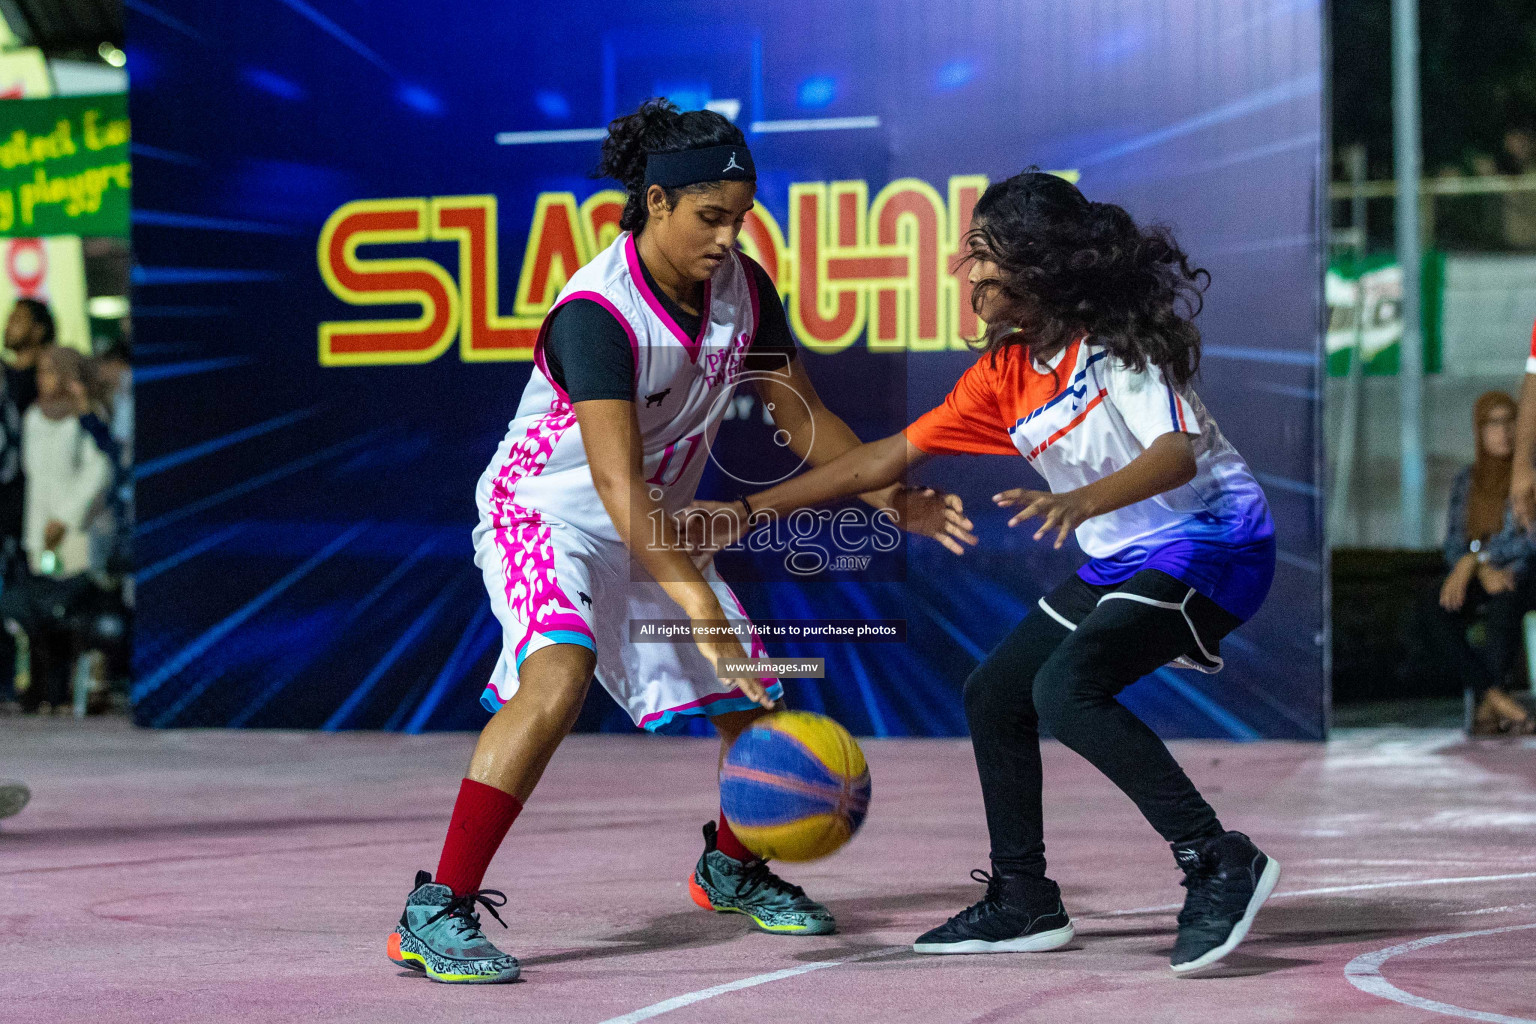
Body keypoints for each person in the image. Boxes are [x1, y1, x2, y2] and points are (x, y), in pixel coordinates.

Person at [386, 98, 958, 984]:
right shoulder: (598, 315)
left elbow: (799, 415)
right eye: (710, 217)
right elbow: (615, 491)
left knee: (755, 696)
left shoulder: (744, 292)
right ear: (655, 203)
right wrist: (695, 599)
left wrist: (890, 496)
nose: (729, 237)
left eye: (741, 218)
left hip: (653, 524)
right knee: (558, 674)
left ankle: (731, 867)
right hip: (548, 514)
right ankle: (436, 908)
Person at [694, 171, 1280, 974]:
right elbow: (877, 459)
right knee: (994, 693)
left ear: (1036, 265)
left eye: (982, 254)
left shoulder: (1114, 347)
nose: (966, 272)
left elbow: (1174, 455)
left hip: (1216, 545)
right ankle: (1023, 897)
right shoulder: (1002, 376)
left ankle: (1216, 857)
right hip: (1125, 559)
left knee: (1066, 691)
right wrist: (750, 511)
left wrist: (1081, 500)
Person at [0, 345, 113, 712]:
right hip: (39, 530)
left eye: (51, 372)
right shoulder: (33, 417)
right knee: (36, 612)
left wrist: (64, 519)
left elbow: (99, 471)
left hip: (75, 532)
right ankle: (42, 688)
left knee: (71, 610)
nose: (43, 380)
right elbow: (33, 476)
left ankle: (73, 689)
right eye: (41, 373)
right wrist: (38, 527)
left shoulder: (86, 417)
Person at [1430, 392, 1536, 734]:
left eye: (1511, 421)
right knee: (1433, 607)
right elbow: (1452, 543)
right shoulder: (1467, 480)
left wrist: (1477, 560)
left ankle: (1489, 706)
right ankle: (1493, 696)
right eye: (1493, 423)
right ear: (1480, 430)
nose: (1503, 431)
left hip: (1525, 572)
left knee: (1507, 597)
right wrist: (1476, 566)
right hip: (1481, 573)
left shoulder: (1528, 478)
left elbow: (1527, 542)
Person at [3, 297, 51, 414]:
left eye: (17, 320)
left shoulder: (48, 379)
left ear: (38, 330)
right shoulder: (3, 375)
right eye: (9, 319)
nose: (8, 326)